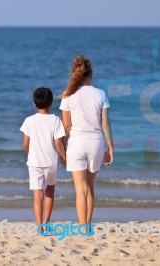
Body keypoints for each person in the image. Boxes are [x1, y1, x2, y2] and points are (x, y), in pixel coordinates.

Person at [59, 55, 114, 231]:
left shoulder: (68, 95)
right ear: (90, 75)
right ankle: (88, 225)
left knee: (80, 189)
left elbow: (66, 126)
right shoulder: (101, 94)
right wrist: (110, 147)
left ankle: (82, 227)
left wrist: (62, 149)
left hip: (76, 143)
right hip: (96, 143)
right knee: (90, 187)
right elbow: (105, 123)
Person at [20, 87, 66, 227]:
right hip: (50, 162)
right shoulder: (55, 120)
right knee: (50, 192)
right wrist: (64, 158)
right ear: (51, 103)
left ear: (34, 103)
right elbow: (58, 143)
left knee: (37, 195)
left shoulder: (29, 120)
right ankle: (46, 222)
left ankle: (39, 224)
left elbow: (25, 144)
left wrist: (31, 154)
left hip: (34, 162)